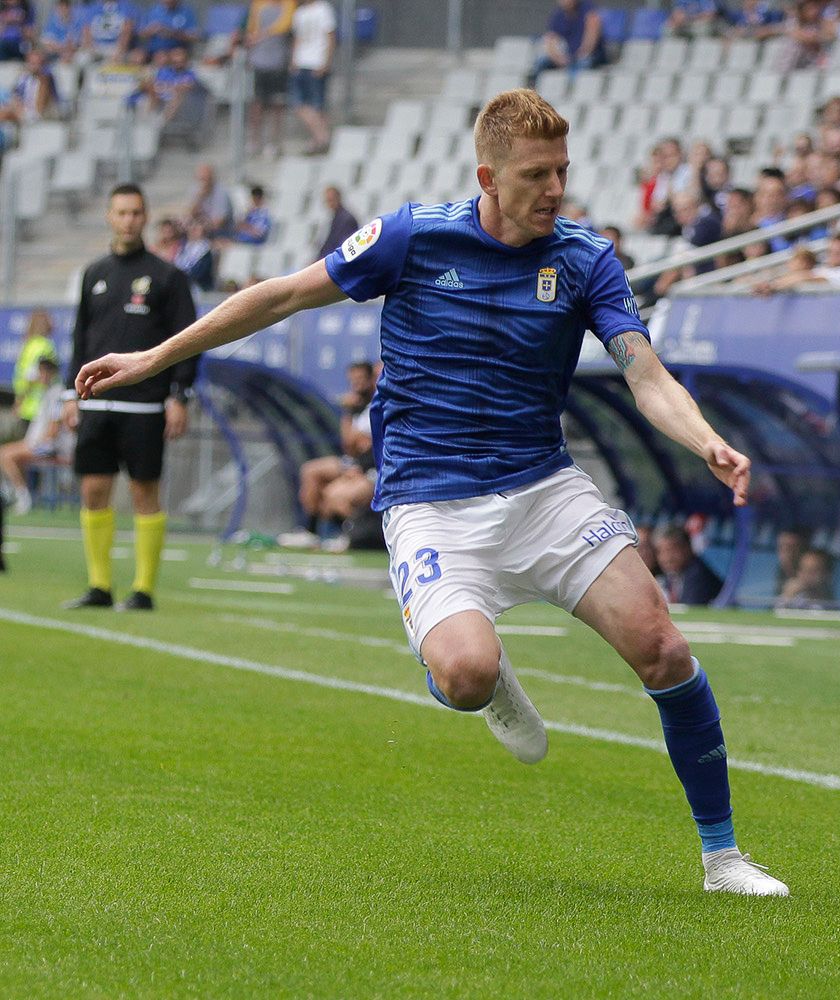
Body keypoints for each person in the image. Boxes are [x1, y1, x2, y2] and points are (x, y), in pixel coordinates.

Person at [74, 88, 787, 897]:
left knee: (663, 647)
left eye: (561, 171)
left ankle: (724, 859)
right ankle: (483, 675)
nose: (554, 189)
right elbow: (282, 294)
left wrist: (706, 440)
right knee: (467, 674)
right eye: (535, 175)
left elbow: (645, 375)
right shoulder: (412, 237)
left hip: (543, 490)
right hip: (430, 503)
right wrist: (155, 358)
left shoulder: (585, 259)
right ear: (488, 176)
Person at [63, 182, 198, 612]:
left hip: (145, 404)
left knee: (144, 492)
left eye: (136, 213)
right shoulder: (94, 274)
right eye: (121, 213)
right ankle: (99, 586)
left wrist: (179, 395)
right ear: (109, 217)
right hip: (96, 403)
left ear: (145, 217)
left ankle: (143, 590)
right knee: (93, 490)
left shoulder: (167, 277)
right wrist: (69, 394)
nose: (128, 220)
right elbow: (80, 338)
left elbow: (187, 340)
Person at [277, 360, 374, 548]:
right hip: (355, 462)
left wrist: (359, 466)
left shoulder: (378, 405)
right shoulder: (356, 407)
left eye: (361, 380)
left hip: (372, 469)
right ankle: (310, 531)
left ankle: (351, 534)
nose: (357, 385)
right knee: (311, 471)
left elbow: (369, 445)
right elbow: (349, 445)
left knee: (332, 494)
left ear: (371, 380)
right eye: (353, 381)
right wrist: (348, 412)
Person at [1, 356, 71, 516]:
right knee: (9, 455)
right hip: (39, 443)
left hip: (50, 447)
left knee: (5, 455)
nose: (40, 376)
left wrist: (38, 443)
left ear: (49, 372)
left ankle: (22, 498)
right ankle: (15, 492)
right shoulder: (45, 392)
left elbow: (53, 429)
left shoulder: (57, 393)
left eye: (43, 372)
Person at [243, 0, 295, 158]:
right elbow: (250, 29)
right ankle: (254, 140)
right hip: (259, 62)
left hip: (278, 63)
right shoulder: (258, 5)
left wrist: (263, 34)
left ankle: (273, 142)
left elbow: (285, 27)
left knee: (276, 105)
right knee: (257, 104)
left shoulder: (288, 5)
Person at [288, 0, 334, 154]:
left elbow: (330, 37)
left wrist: (326, 62)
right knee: (298, 104)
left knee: (317, 105)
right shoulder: (299, 12)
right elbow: (297, 38)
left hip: (316, 62)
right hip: (301, 63)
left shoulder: (323, 9)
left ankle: (319, 140)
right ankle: (322, 137)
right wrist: (293, 60)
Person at [11, 307, 58, 431]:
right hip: (41, 405)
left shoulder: (28, 345)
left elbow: (23, 376)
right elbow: (36, 375)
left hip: (27, 406)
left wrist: (19, 401)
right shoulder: (46, 346)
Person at [654, 524, 723, 605]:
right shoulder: (669, 575)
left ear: (687, 548)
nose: (666, 558)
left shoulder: (697, 574)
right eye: (660, 551)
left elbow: (689, 608)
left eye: (671, 550)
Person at [315, 185, 358, 259]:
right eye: (327, 201)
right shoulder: (335, 218)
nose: (329, 204)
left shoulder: (346, 220)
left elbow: (341, 247)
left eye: (331, 200)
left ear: (338, 198)